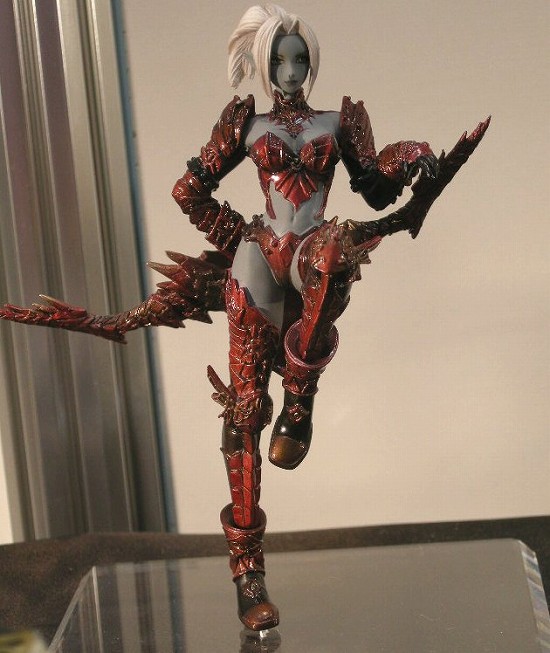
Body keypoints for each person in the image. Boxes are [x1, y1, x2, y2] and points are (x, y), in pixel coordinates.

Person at [0, 3, 489, 632]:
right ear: (262, 63)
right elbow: (189, 191)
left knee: (335, 255)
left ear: (312, 62)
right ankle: (247, 571)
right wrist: (239, 238)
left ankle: (300, 403)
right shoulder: (246, 124)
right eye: (279, 59)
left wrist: (413, 154)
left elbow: (372, 186)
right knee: (244, 409)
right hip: (262, 254)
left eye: (300, 58)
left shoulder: (339, 121)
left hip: (311, 248)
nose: (290, 70)